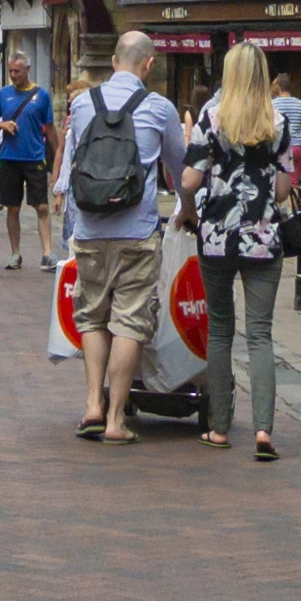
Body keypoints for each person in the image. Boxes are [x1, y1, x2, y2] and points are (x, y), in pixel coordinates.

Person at [61, 39, 189, 440]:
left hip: (90, 229)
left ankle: (92, 406)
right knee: (130, 321)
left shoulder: (82, 105)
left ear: (114, 61)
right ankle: (117, 419)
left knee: (93, 317)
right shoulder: (159, 108)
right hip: (137, 232)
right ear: (149, 64)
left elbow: (73, 166)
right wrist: (188, 209)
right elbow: (179, 168)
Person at [189, 42, 301, 460]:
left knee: (220, 330)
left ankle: (220, 428)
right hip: (262, 237)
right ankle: (263, 432)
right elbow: (282, 187)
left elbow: (188, 179)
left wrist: (189, 210)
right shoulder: (277, 119)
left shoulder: (211, 117)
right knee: (260, 334)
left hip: (217, 237)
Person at [0, 49, 56, 268]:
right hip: (9, 158)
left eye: (18, 71)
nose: (14, 75)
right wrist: (2, 125)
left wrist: (57, 158)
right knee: (12, 207)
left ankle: (47, 252)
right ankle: (15, 253)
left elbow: (50, 129)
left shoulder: (41, 96)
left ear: (27, 70)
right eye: (11, 71)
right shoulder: (3, 95)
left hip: (34, 158)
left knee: (41, 206)